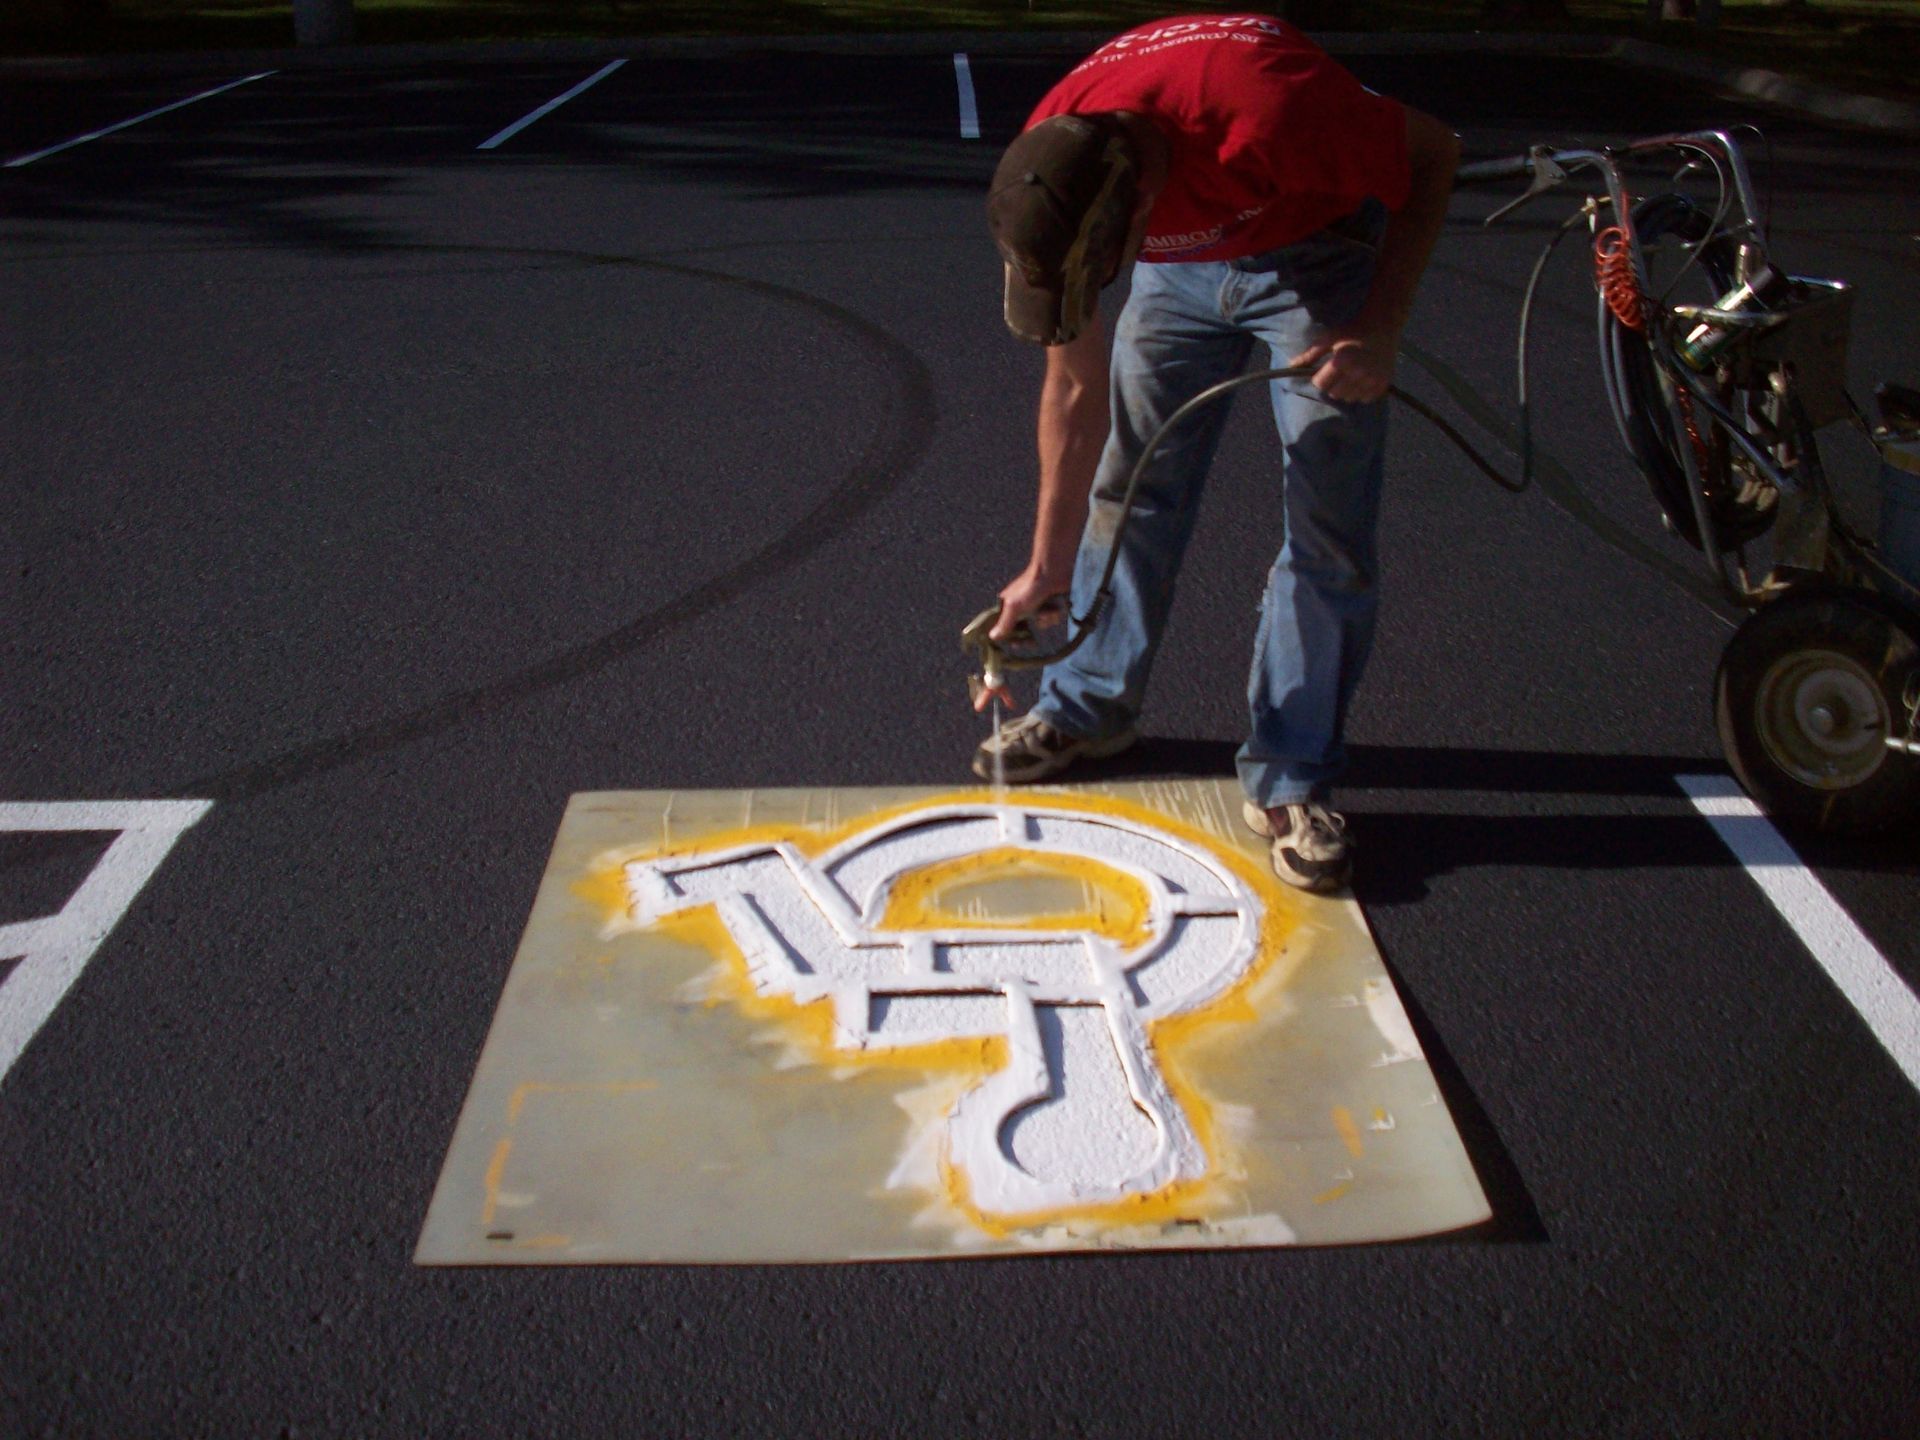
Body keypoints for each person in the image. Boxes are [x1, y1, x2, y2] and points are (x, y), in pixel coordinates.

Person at [974, 12, 1459, 893]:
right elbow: (1074, 389)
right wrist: (1044, 564)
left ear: (1139, 204)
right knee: (1134, 485)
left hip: (1315, 256)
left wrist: (1378, 328)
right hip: (1181, 272)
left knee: (1326, 520)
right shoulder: (1056, 162)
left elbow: (1435, 154)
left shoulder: (1268, 109)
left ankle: (1291, 774)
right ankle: (1088, 708)